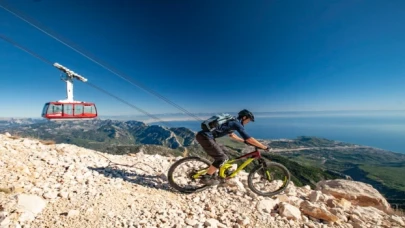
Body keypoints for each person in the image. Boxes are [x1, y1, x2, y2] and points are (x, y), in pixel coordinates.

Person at [195, 109, 269, 185]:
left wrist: (244, 141)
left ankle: (221, 173)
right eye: (248, 120)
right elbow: (249, 138)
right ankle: (206, 178)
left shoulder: (233, 121)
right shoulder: (236, 123)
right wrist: (264, 147)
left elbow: (232, 135)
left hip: (205, 136)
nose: (248, 122)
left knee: (224, 154)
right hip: (205, 137)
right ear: (244, 117)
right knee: (222, 158)